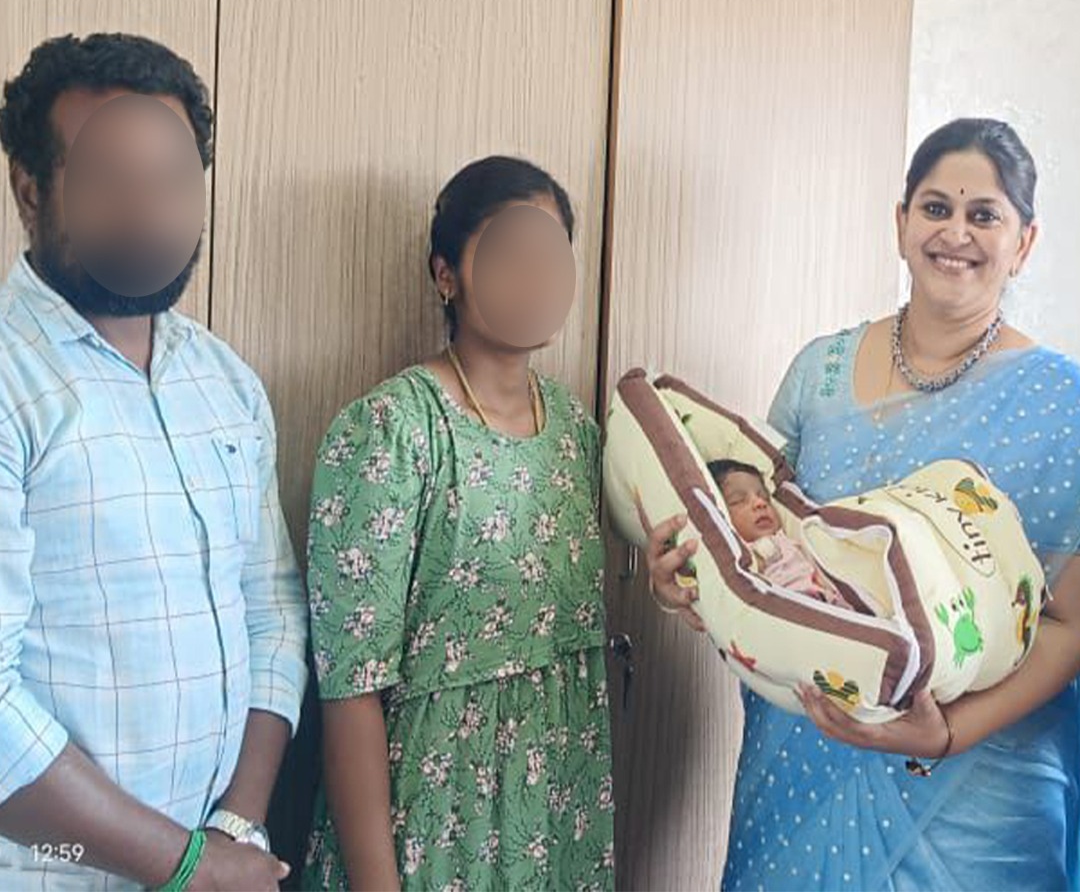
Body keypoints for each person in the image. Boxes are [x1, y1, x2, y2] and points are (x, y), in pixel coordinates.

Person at [645, 119, 1080, 890]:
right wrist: (687, 583)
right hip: (801, 759)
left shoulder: (1062, 404)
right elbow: (754, 544)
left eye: (984, 214)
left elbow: (1068, 626)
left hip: (976, 799)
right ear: (901, 222)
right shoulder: (819, 373)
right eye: (936, 207)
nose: (956, 232)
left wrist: (944, 734)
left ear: (1025, 242)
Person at [0, 34, 308, 890]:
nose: (148, 212)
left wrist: (232, 831)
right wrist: (185, 866)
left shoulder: (226, 381)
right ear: (31, 189)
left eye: (172, 180)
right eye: (109, 179)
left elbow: (272, 609)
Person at [303, 157, 614, 891]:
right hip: (431, 816)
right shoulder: (390, 429)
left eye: (551, 255)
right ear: (447, 275)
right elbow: (350, 687)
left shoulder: (577, 429)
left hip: (561, 805)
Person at [707, 459, 846, 607]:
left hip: (823, 601)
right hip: (786, 605)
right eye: (739, 500)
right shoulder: (737, 553)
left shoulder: (786, 536)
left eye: (765, 498)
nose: (760, 503)